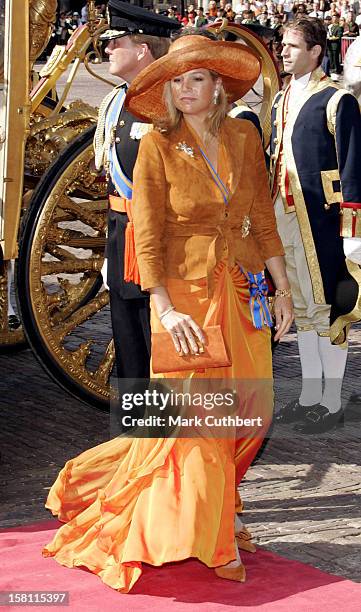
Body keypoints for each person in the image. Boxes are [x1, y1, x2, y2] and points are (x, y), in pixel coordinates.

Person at [42, 34, 293, 592]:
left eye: (195, 79)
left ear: (218, 86)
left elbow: (261, 216)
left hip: (243, 287)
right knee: (199, 422)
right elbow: (148, 233)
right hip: (183, 297)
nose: (184, 89)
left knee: (250, 411)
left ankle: (216, 505)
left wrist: (282, 286)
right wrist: (163, 305)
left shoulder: (243, 137)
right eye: (176, 80)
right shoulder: (156, 145)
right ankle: (211, 535)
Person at [271, 17, 361, 433]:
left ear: (315, 51)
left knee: (330, 311)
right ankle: (310, 396)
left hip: (321, 221)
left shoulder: (338, 100)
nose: (283, 51)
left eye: (292, 45)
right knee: (303, 311)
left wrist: (352, 231)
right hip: (284, 216)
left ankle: (332, 401)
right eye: (282, 45)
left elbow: (353, 166)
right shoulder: (279, 99)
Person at [93, 0, 180, 382]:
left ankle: (165, 434)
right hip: (121, 231)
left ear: (142, 49)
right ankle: (137, 432)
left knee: (155, 340)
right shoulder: (116, 101)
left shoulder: (170, 104)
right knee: (128, 339)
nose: (107, 49)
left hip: (158, 238)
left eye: (116, 42)